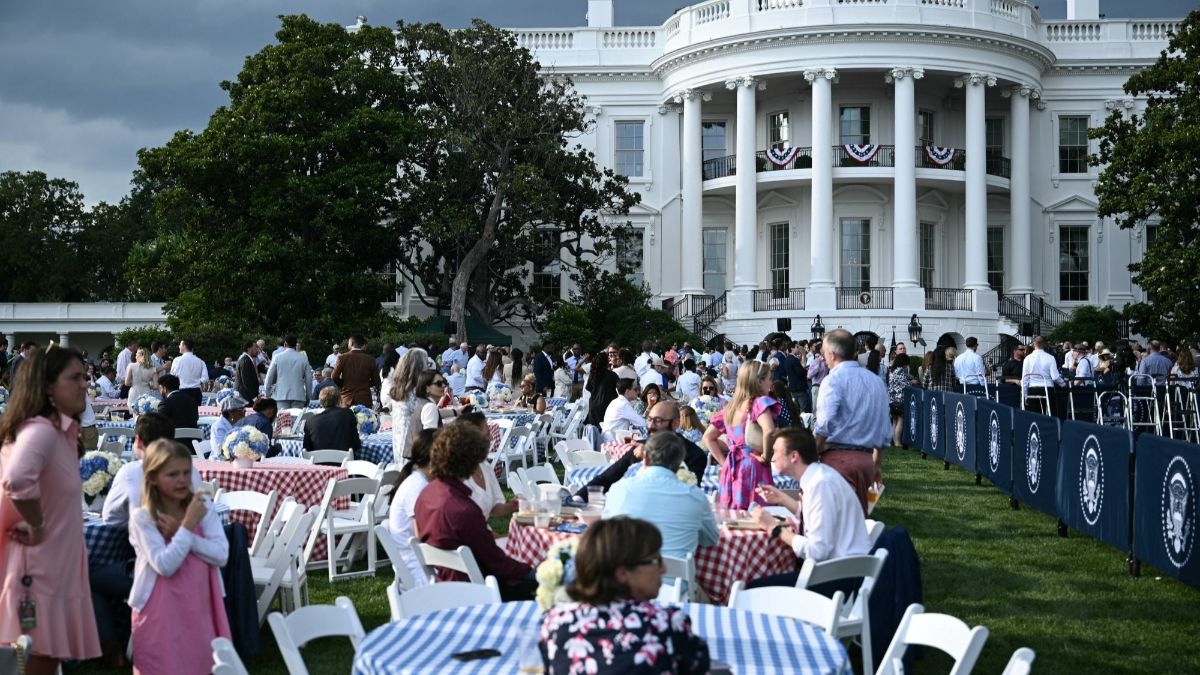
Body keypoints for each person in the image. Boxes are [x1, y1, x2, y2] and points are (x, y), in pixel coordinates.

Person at [0, 345, 102, 673]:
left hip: (56, 569)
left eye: (84, 377)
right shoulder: (41, 431)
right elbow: (16, 479)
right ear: (47, 387)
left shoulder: (60, 433)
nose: (84, 384)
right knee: (38, 664)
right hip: (40, 574)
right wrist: (37, 524)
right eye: (74, 378)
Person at [539, 516, 711, 674]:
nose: (663, 568)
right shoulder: (667, 623)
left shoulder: (554, 621)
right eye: (655, 560)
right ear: (622, 573)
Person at [128, 440, 230, 674]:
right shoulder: (143, 517)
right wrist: (187, 526)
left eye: (186, 472)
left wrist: (183, 531)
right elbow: (165, 564)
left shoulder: (200, 506)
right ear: (152, 477)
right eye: (172, 474)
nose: (182, 480)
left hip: (198, 602)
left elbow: (221, 554)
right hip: (159, 607)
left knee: (199, 663)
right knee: (162, 664)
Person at [413, 423, 536, 601]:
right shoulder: (463, 510)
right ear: (472, 463)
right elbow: (497, 563)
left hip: (444, 584)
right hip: (478, 589)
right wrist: (534, 572)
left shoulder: (426, 494)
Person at [747, 427, 871, 592]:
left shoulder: (820, 485)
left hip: (838, 578)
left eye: (776, 451)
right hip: (840, 569)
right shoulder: (819, 476)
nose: (772, 456)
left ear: (794, 456)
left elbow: (816, 551)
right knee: (766, 576)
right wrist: (782, 499)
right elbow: (815, 517)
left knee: (753, 589)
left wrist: (774, 529)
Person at [813, 329, 891, 516]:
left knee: (833, 523)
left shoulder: (832, 381)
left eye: (824, 353)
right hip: (867, 463)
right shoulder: (876, 381)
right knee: (860, 523)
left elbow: (824, 425)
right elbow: (884, 428)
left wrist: (812, 455)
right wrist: (876, 465)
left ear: (832, 354)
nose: (824, 358)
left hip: (837, 460)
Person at [603, 431, 718, 558]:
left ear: (645, 458)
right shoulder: (694, 496)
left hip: (625, 575)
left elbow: (607, 532)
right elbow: (710, 539)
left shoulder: (619, 489)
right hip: (677, 576)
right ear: (680, 462)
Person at [703, 359, 778, 509]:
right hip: (753, 465)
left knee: (734, 517)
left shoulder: (731, 408)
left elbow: (708, 437)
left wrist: (724, 463)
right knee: (757, 515)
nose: (771, 383)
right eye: (769, 379)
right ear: (759, 381)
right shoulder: (758, 402)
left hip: (731, 467)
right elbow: (769, 430)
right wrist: (766, 457)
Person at [387, 429, 437, 590]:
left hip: (418, 559)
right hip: (419, 566)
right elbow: (423, 536)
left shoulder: (419, 480)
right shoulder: (418, 486)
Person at [389, 349, 432, 467]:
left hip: (400, 435)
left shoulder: (399, 386)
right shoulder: (414, 390)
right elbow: (425, 412)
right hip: (413, 437)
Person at [303, 386, 362, 456]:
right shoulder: (348, 414)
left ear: (321, 403)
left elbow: (307, 449)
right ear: (339, 400)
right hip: (345, 463)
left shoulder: (310, 421)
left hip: (319, 464)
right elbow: (356, 445)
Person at [264, 336, 313, 411]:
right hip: (298, 396)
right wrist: (308, 396)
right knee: (297, 421)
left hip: (281, 395)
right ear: (296, 344)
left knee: (282, 421)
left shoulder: (277, 357)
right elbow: (309, 379)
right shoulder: (303, 358)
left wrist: (267, 393)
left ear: (285, 344)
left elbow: (269, 377)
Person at [331, 335, 380, 408]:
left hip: (346, 399)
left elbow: (334, 376)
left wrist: (344, 384)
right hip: (364, 398)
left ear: (351, 343)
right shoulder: (371, 359)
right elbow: (376, 380)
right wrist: (365, 384)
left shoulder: (342, 358)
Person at [1021, 336, 1067, 400]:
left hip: (1033, 388)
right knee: (1051, 408)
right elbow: (1055, 377)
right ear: (1044, 344)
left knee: (1033, 410)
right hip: (1048, 388)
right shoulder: (1050, 358)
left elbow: (1025, 378)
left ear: (1034, 344)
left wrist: (1025, 395)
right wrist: (1064, 384)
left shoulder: (1027, 358)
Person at [887, 353, 915, 447]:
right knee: (900, 420)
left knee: (894, 421)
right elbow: (905, 385)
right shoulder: (901, 371)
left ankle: (893, 441)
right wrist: (912, 382)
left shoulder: (891, 371)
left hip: (891, 399)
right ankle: (897, 442)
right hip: (900, 399)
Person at [170, 338, 208, 405]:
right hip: (196, 392)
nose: (179, 346)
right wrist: (197, 382)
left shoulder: (177, 360)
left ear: (184, 346)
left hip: (182, 391)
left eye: (180, 344)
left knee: (183, 414)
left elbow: (172, 375)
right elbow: (205, 378)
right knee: (196, 414)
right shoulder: (200, 361)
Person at [585, 354, 620, 426]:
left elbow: (588, 388)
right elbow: (620, 388)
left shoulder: (593, 374)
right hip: (607, 406)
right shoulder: (612, 375)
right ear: (606, 363)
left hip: (594, 405)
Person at [210, 392, 248, 457]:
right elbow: (220, 451)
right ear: (231, 412)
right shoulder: (219, 427)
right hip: (220, 462)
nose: (245, 411)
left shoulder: (238, 423)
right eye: (242, 409)